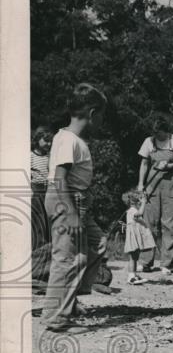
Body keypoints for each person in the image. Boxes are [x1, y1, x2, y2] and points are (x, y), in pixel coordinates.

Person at [40, 83, 109, 333]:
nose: (101, 120)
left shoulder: (72, 139)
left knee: (98, 243)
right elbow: (59, 177)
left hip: (76, 200)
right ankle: (56, 318)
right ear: (92, 113)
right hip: (66, 199)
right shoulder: (68, 139)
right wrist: (70, 214)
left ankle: (70, 300)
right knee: (67, 258)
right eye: (101, 115)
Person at [137, 115, 173, 274]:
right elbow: (144, 163)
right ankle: (145, 261)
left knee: (169, 224)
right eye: (155, 132)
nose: (158, 135)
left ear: (167, 130)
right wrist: (140, 184)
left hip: (171, 184)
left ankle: (166, 264)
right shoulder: (148, 141)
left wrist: (170, 165)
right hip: (152, 184)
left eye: (160, 132)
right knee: (148, 223)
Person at [30, 126, 54, 285]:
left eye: (50, 141)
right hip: (35, 194)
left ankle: (46, 266)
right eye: (45, 140)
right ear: (37, 139)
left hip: (48, 193)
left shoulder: (50, 157)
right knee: (37, 229)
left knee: (48, 229)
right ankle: (36, 267)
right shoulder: (30, 156)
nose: (48, 144)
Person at [121, 187, 156, 284]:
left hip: (135, 237)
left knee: (135, 257)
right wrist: (144, 203)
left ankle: (134, 274)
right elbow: (139, 213)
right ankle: (131, 276)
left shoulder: (132, 210)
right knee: (133, 257)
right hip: (133, 238)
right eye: (140, 201)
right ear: (134, 202)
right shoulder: (132, 210)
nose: (141, 203)